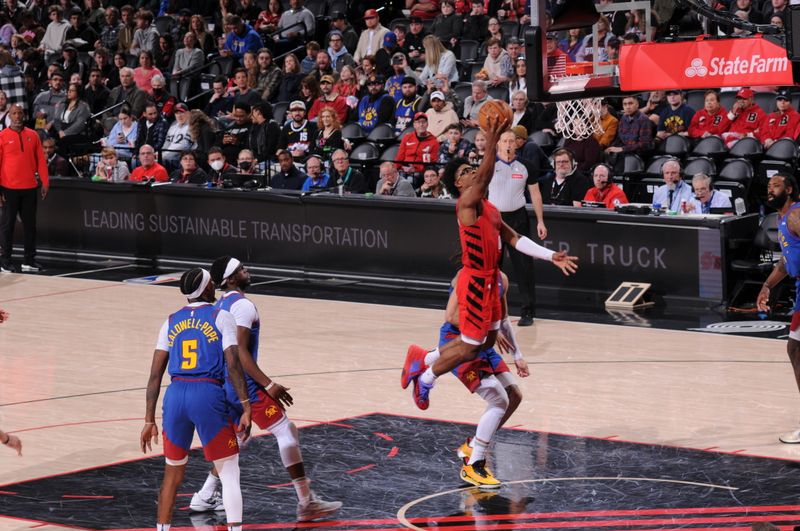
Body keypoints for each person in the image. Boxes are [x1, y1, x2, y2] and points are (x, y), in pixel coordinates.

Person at [401, 114, 578, 412]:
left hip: (492, 277)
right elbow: (485, 176)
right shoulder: (466, 204)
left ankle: (424, 357)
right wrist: (493, 140)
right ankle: (427, 377)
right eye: (468, 171)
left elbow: (515, 239)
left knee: (486, 342)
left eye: (474, 169)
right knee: (471, 346)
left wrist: (551, 255)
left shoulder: (490, 208)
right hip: (474, 279)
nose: (475, 173)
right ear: (459, 183)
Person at [189, 257, 343, 522]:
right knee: (285, 430)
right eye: (242, 269)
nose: (247, 271)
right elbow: (239, 354)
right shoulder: (243, 306)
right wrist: (268, 384)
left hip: (222, 383)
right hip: (243, 384)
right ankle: (306, 502)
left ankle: (204, 495)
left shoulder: (220, 304)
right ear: (232, 279)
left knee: (239, 439)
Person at [140, 268, 252, 531]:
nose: (215, 286)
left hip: (175, 395)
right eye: (212, 283)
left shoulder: (170, 321)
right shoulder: (221, 316)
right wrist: (246, 405)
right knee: (229, 471)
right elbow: (234, 364)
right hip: (206, 393)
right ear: (206, 289)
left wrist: (148, 419)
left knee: (172, 474)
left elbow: (155, 374)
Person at [436, 269, 528, 488]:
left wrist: (518, 355)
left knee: (514, 396)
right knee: (498, 400)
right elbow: (451, 316)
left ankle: (473, 445)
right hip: (460, 342)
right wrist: (488, 328)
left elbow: (504, 319)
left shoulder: (502, 279)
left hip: (484, 342)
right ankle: (474, 465)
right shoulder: (464, 276)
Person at [488, 129, 548, 326]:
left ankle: (528, 311)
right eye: (504, 140)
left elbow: (536, 194)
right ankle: (490, 310)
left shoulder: (525, 166)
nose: (508, 144)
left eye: (511, 141)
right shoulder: (488, 165)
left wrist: (540, 221)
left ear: (517, 144)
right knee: (492, 266)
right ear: (498, 143)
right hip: (494, 219)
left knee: (523, 265)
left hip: (518, 219)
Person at [757, 173, 800, 443]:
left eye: (776, 186)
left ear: (790, 189)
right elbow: (787, 261)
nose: (770, 190)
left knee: (796, 350)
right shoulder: (782, 219)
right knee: (795, 349)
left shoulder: (796, 215)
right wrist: (767, 286)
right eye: (768, 187)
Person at [0, 104, 48, 273]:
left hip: (29, 188)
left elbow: (41, 160)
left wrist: (45, 182)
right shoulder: (2, 136)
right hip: (9, 188)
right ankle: (5, 261)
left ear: (24, 115)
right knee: (7, 226)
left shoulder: (33, 135)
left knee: (30, 226)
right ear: (9, 116)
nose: (18, 116)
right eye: (14, 113)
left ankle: (29, 260)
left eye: (20, 113)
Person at [396, 112, 439, 184]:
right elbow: (399, 157)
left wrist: (416, 169)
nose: (421, 124)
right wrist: (399, 168)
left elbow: (432, 164)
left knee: (410, 180)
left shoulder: (434, 142)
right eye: (418, 122)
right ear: (414, 125)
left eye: (423, 122)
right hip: (404, 169)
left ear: (427, 124)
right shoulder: (407, 137)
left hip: (420, 173)